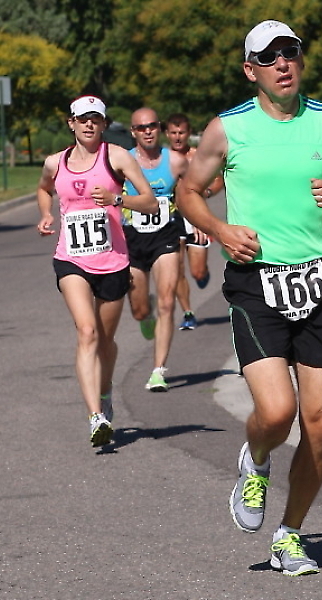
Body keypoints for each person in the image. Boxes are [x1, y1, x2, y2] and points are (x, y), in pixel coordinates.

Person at [178, 20, 322, 576]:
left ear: (301, 59)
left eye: (290, 52)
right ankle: (258, 458)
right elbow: (188, 192)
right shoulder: (227, 129)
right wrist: (221, 231)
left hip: (316, 282)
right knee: (277, 412)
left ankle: (289, 534)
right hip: (255, 281)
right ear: (251, 70)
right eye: (268, 58)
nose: (282, 64)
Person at [36, 95, 157, 447]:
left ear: (104, 124)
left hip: (112, 261)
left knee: (104, 340)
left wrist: (117, 199)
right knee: (86, 332)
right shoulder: (55, 162)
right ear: (71, 123)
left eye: (95, 119)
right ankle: (95, 417)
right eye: (82, 118)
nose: (89, 124)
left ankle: (105, 392)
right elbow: (43, 189)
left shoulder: (116, 157)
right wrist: (46, 214)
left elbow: (150, 202)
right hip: (71, 259)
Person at [122, 107, 188, 391]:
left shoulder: (176, 161)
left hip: (165, 237)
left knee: (167, 302)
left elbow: (192, 192)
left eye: (152, 125)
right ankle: (144, 315)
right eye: (141, 127)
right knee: (139, 309)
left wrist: (198, 222)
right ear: (133, 132)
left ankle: (158, 370)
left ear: (159, 128)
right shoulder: (122, 161)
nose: (147, 131)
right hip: (132, 239)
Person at [164, 113, 224, 330]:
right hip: (172, 218)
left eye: (181, 132)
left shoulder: (197, 156)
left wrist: (203, 193)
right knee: (176, 268)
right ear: (167, 134)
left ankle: (203, 274)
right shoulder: (162, 159)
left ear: (188, 133)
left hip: (196, 216)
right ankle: (188, 312)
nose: (177, 137)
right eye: (173, 133)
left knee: (197, 272)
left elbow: (218, 180)